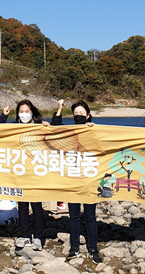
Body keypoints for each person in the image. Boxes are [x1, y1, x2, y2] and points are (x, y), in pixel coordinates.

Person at [51, 99, 102, 263]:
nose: (78, 116)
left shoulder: (95, 130)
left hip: (89, 179)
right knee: (74, 215)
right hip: (72, 178)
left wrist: (93, 129)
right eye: (76, 114)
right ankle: (74, 248)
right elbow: (54, 127)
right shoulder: (69, 131)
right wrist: (59, 108)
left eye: (81, 113)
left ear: (88, 115)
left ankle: (93, 249)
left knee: (90, 216)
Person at [0, 99, 49, 251]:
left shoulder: (40, 126)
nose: (24, 114)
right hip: (19, 171)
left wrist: (48, 126)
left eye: (27, 111)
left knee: (37, 206)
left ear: (32, 112)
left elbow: (58, 133)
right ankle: (25, 235)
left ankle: (38, 237)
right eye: (21, 111)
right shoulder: (14, 127)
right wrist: (3, 115)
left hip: (36, 171)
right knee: (23, 205)